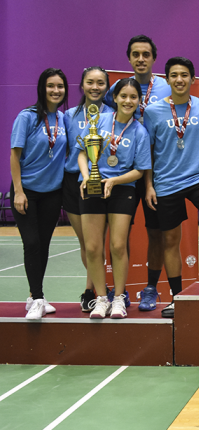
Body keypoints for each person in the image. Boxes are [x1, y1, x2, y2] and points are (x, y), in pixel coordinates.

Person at [143, 57, 199, 317]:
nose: (179, 79)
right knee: (171, 240)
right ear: (167, 79)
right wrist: (149, 185)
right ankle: (177, 297)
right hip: (166, 181)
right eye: (174, 75)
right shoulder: (153, 111)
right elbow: (147, 152)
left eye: (184, 75)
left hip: (197, 177)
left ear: (193, 79)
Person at [107, 35, 171, 312]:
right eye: (136, 54)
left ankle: (151, 289)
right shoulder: (117, 88)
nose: (141, 59)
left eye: (146, 54)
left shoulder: (166, 85)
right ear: (129, 58)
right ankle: (118, 291)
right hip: (123, 172)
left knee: (156, 233)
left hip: (158, 171)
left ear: (154, 58)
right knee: (118, 237)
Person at [77, 78, 151, 319]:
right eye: (123, 96)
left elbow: (139, 170)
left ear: (139, 101)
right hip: (92, 186)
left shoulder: (140, 132)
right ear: (115, 98)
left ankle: (118, 298)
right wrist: (87, 177)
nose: (128, 101)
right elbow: (82, 153)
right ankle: (101, 299)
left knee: (118, 246)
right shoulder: (99, 120)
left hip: (122, 189)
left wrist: (114, 181)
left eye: (133, 97)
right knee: (92, 247)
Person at [10, 68, 68, 319]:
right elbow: (15, 156)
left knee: (43, 245)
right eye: (50, 86)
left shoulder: (63, 119)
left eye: (60, 86)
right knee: (32, 243)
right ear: (42, 89)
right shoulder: (27, 117)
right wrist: (18, 191)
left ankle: (35, 296)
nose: (56, 90)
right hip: (27, 192)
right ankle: (37, 298)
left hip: (52, 193)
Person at [63, 67, 114, 312]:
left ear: (107, 87)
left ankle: (91, 290)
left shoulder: (114, 114)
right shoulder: (68, 116)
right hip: (73, 182)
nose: (95, 87)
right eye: (90, 82)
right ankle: (92, 290)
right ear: (82, 85)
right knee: (85, 242)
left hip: (102, 183)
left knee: (97, 242)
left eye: (100, 83)